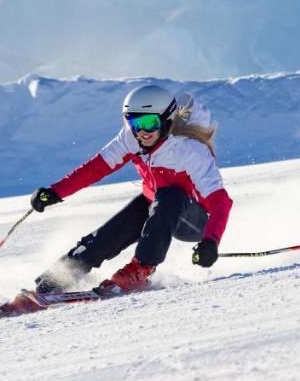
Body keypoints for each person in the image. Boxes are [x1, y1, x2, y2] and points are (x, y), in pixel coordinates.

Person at [29, 84, 233, 296]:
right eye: (134, 123)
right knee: (108, 234)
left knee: (170, 195)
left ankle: (139, 269)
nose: (142, 132)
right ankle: (55, 280)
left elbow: (220, 202)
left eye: (149, 123)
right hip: (157, 205)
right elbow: (96, 167)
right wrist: (55, 192)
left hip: (195, 219)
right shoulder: (131, 139)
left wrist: (211, 241)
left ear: (166, 119)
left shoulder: (190, 151)